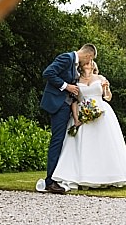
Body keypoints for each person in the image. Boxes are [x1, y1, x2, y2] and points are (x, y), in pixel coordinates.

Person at [52, 60, 126, 189]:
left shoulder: (100, 78)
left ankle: (108, 177)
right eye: (86, 62)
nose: (89, 64)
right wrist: (76, 119)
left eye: (91, 62)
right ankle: (82, 177)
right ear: (81, 66)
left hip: (101, 114)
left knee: (104, 145)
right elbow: (74, 102)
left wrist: (106, 87)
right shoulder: (76, 81)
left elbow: (108, 97)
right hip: (83, 114)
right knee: (83, 146)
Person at [39, 44, 96, 194]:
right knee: (57, 141)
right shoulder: (67, 58)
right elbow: (48, 73)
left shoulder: (73, 65)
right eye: (90, 60)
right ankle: (50, 181)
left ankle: (55, 177)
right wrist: (66, 86)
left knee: (61, 141)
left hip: (65, 106)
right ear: (89, 56)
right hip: (58, 106)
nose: (88, 64)